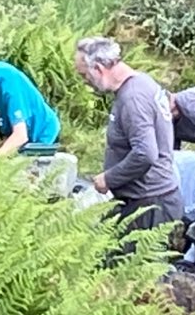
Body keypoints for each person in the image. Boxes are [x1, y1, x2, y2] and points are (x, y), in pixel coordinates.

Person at [74, 36, 183, 236]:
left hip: (150, 206)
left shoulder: (133, 99)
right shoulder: (142, 82)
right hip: (149, 200)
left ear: (98, 68)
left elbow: (146, 153)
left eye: (85, 76)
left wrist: (109, 178)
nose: (86, 83)